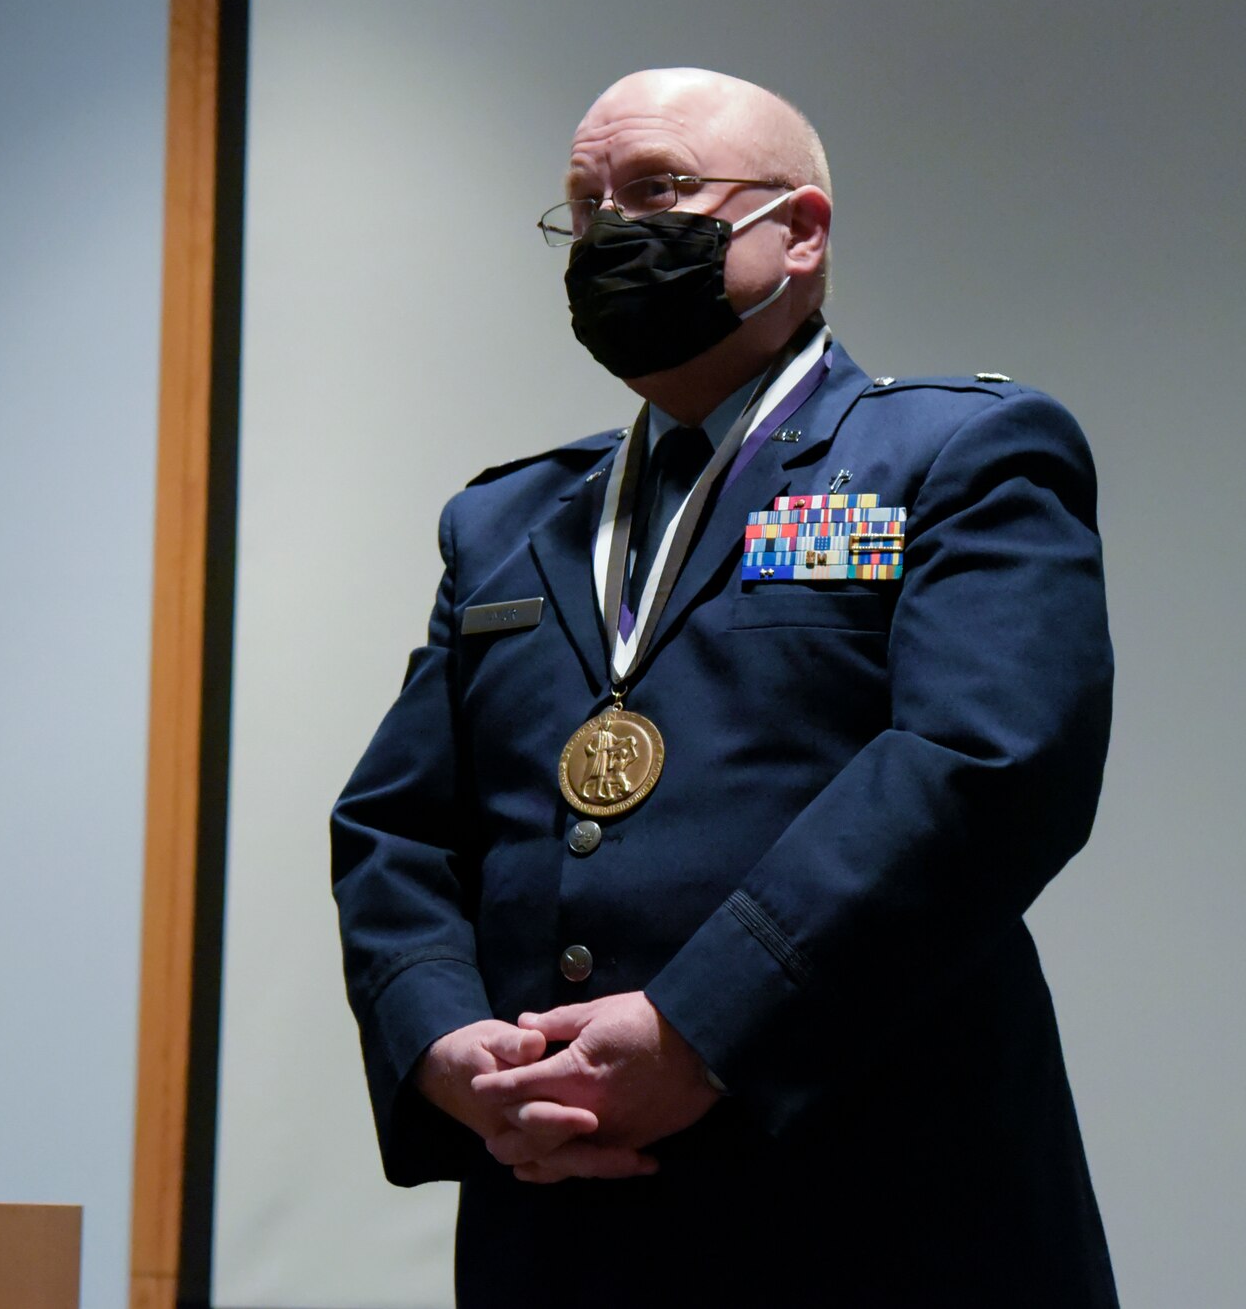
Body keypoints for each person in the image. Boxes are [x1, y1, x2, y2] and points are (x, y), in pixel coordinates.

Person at [331, 68, 1118, 1307]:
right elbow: (395, 824)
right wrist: (439, 1041)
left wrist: (699, 1026)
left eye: (656, 190)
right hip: (562, 1214)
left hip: (875, 1204)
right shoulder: (507, 519)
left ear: (796, 231)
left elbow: (985, 762)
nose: (609, 236)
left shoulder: (951, 456)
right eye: (584, 210)